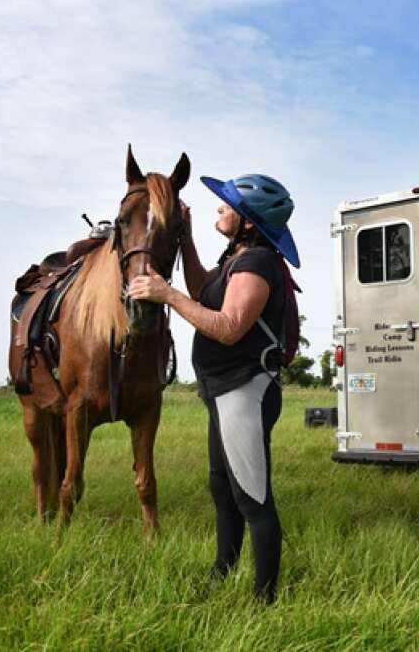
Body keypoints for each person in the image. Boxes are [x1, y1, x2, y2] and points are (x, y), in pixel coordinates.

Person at [127, 173, 300, 604]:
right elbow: (203, 291)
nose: (219, 207)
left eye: (229, 204)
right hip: (223, 390)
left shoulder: (257, 263)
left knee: (253, 498)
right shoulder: (235, 258)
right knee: (223, 489)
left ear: (248, 221)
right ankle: (222, 574)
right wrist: (185, 238)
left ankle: (264, 602)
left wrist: (167, 295)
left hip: (245, 390)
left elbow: (228, 327)